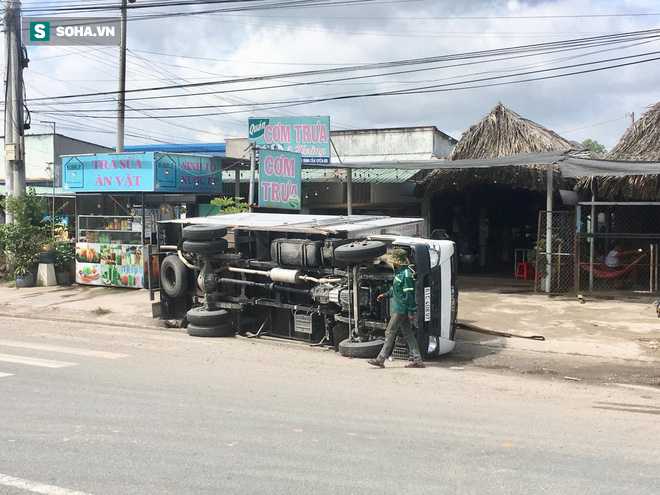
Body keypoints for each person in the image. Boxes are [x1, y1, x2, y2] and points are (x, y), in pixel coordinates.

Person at [367, 248, 425, 369]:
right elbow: (396, 290)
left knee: (389, 332)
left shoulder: (406, 275)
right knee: (408, 333)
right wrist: (385, 295)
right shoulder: (400, 273)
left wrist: (410, 311)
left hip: (401, 310)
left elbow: (409, 295)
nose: (392, 263)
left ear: (398, 262)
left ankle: (380, 359)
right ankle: (418, 360)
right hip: (399, 308)